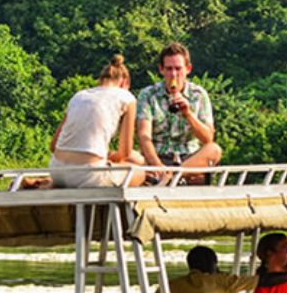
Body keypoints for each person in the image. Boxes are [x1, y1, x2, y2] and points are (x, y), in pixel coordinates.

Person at [44, 54, 147, 188]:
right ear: (124, 83)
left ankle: (45, 183)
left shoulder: (78, 96)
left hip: (56, 171)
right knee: (139, 172)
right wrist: (110, 156)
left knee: (130, 159)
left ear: (100, 81)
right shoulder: (127, 97)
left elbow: (53, 146)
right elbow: (124, 154)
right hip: (88, 176)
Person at [136, 43, 222, 182]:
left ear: (188, 69)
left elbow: (208, 138)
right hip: (158, 156)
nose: (174, 74)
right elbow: (143, 135)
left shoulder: (198, 95)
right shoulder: (148, 95)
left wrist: (188, 113)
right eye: (169, 69)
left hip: (189, 159)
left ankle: (173, 177)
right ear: (161, 70)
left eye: (178, 68)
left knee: (214, 150)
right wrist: (158, 166)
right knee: (131, 158)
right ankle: (169, 177)